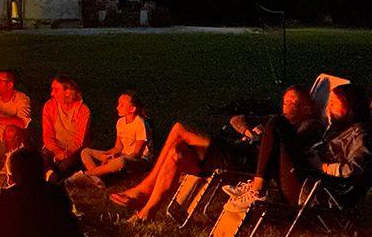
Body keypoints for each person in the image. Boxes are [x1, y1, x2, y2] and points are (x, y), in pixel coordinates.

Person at [111, 85, 322, 221]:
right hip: (236, 149)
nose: (288, 106)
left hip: (247, 161)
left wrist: (261, 136)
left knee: (179, 129)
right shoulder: (274, 119)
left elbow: (290, 149)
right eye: (286, 101)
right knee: (177, 152)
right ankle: (147, 212)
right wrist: (251, 131)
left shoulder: (307, 125)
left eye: (295, 102)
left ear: (307, 107)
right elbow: (236, 119)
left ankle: (143, 189)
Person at [227, 83, 372, 208]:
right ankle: (257, 186)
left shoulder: (363, 134)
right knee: (277, 126)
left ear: (350, 106)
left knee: (278, 123)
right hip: (306, 177)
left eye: (334, 103)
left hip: (314, 190)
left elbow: (355, 169)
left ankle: (257, 189)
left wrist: (323, 167)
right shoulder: (339, 128)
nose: (328, 108)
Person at [76, 91, 151, 183]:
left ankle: (89, 174)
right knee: (86, 152)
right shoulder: (120, 122)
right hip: (122, 155)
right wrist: (107, 155)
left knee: (121, 161)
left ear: (132, 109)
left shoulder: (140, 124)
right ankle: (98, 178)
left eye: (122, 105)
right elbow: (118, 147)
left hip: (139, 161)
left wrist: (115, 158)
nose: (117, 107)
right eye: (118, 104)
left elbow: (137, 153)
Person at [40, 76, 91, 179]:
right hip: (54, 147)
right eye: (52, 89)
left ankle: (51, 175)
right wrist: (57, 151)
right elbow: (47, 136)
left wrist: (66, 153)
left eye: (56, 90)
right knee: (42, 157)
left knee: (64, 166)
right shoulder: (49, 106)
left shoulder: (83, 111)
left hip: (73, 150)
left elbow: (79, 141)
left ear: (67, 92)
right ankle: (51, 175)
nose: (52, 93)